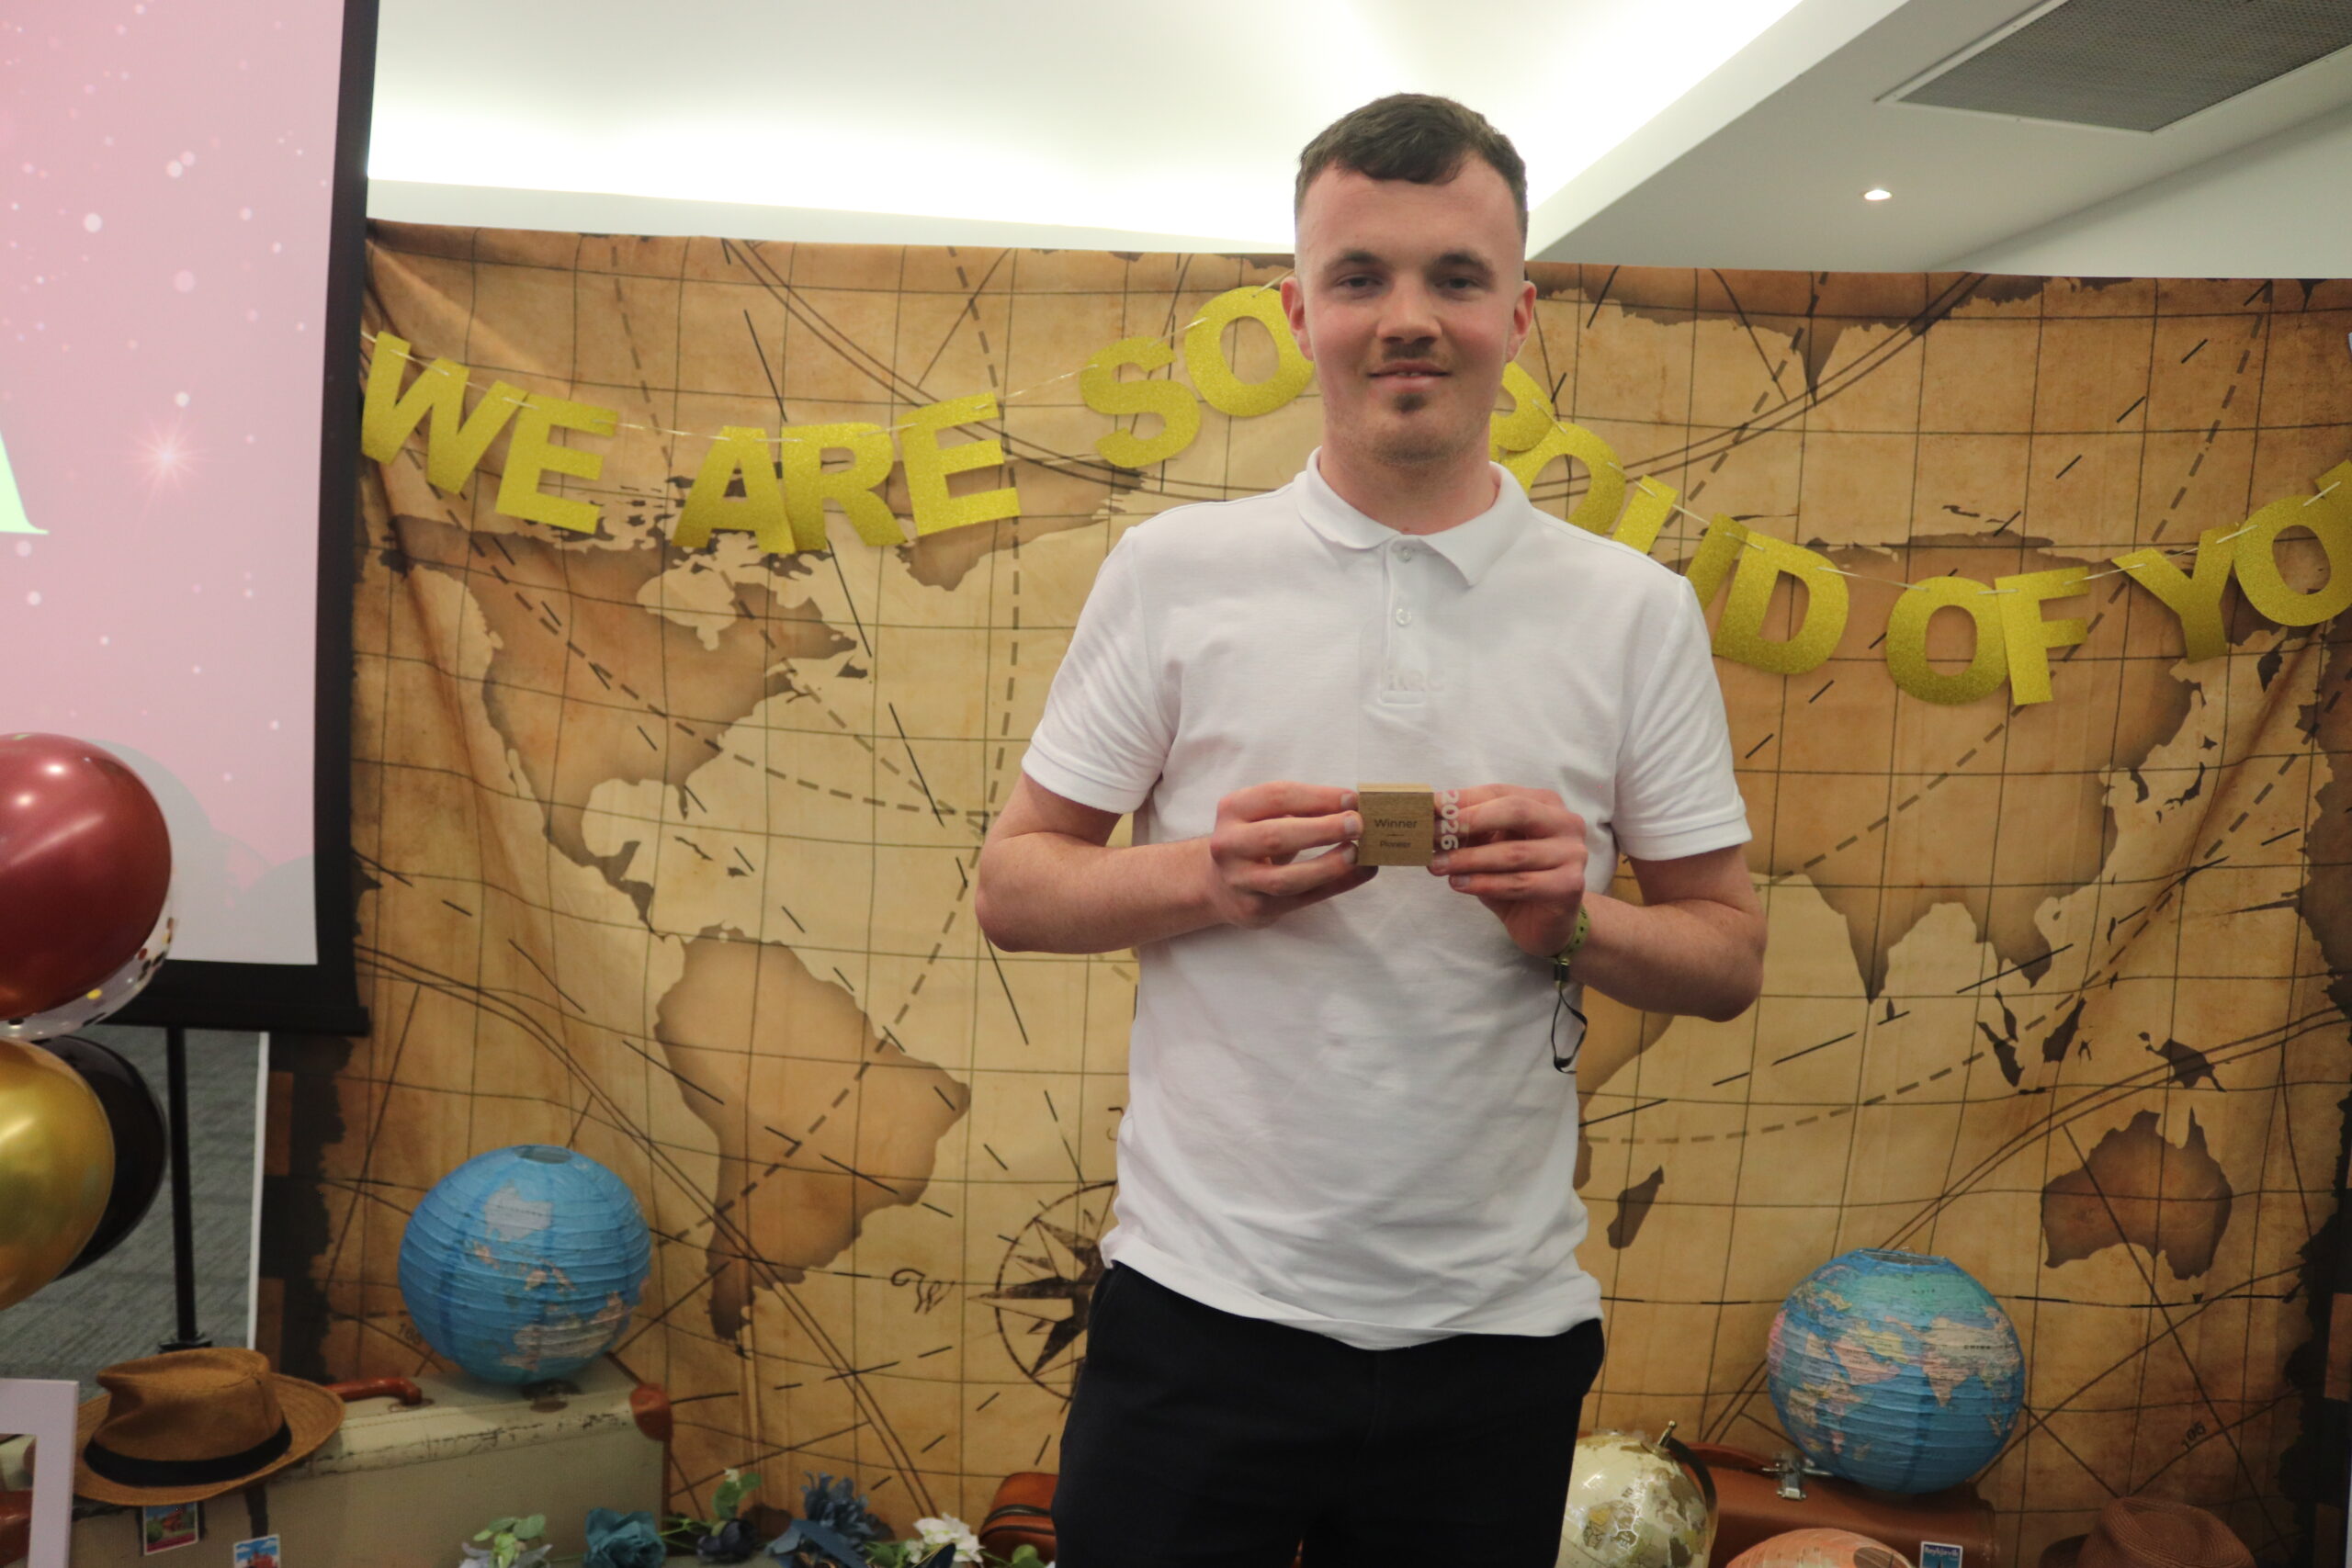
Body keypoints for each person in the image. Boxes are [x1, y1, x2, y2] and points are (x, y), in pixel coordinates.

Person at [973, 93, 1766, 1565]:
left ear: (1517, 314)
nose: (1409, 318)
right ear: (1301, 314)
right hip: (1194, 1314)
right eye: (1360, 277)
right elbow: (1014, 886)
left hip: (1495, 1342)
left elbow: (1728, 956)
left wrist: (1577, 921)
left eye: (1455, 277)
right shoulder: (1173, 572)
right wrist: (1209, 876)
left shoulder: (1634, 612)